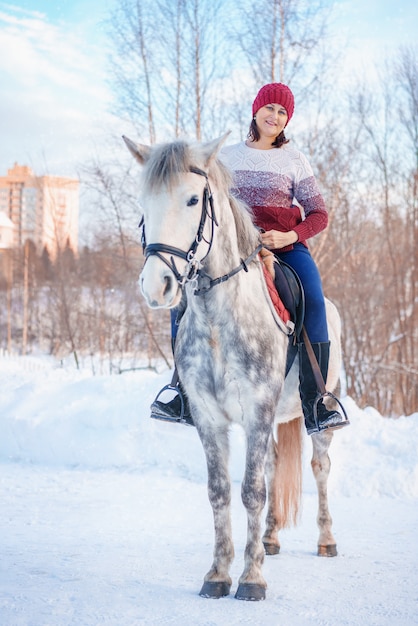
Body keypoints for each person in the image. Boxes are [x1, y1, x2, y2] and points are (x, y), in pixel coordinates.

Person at [151, 82, 349, 436]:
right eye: (270, 108)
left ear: (287, 121)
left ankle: (316, 400)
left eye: (283, 112)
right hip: (232, 253)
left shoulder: (294, 160)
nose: (275, 116)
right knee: (182, 301)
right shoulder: (225, 157)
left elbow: (319, 214)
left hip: (286, 251)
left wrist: (291, 235)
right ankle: (180, 391)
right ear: (256, 110)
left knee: (315, 302)